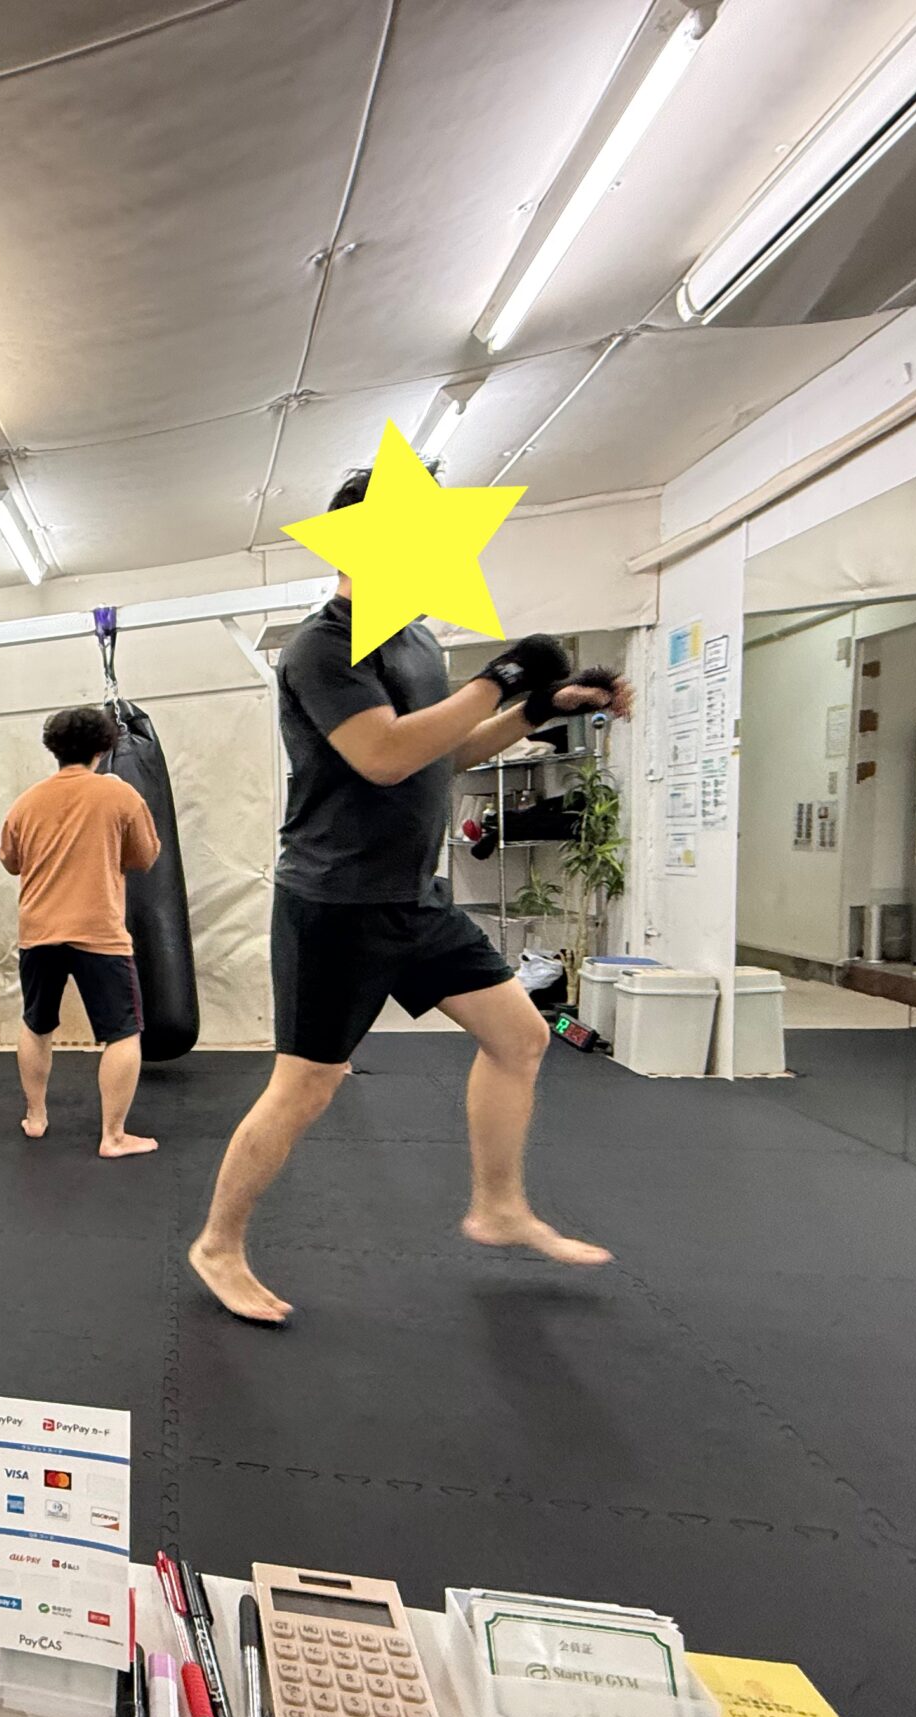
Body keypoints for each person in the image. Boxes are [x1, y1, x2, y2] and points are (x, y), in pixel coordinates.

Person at [187, 469, 630, 1327]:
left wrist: (539, 708)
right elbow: (385, 755)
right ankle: (218, 1244)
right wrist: (501, 677)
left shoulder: (418, 644)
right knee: (306, 1086)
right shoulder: (321, 648)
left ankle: (498, 1206)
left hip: (414, 897)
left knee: (521, 1037)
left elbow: (444, 752)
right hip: (333, 903)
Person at [0, 706, 163, 1158]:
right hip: (98, 934)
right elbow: (145, 857)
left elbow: (10, 862)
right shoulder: (120, 794)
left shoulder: (27, 801)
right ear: (103, 748)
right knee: (123, 1033)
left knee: (36, 1023)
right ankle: (113, 1136)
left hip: (38, 932)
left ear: (53, 748)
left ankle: (36, 1117)